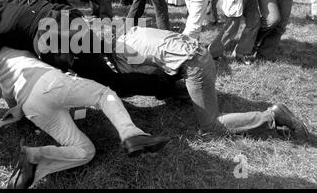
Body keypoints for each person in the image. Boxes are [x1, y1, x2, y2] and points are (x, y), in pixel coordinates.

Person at [0, 0, 179, 100]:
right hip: (68, 19)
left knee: (113, 84)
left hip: (59, 37)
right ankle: (166, 70)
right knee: (114, 52)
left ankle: (166, 85)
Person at [111, 26, 309, 139]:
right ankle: (194, 95)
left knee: (211, 127)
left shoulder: (121, 55)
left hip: (195, 65)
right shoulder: (131, 32)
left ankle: (272, 116)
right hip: (197, 54)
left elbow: (143, 80)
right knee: (165, 81)